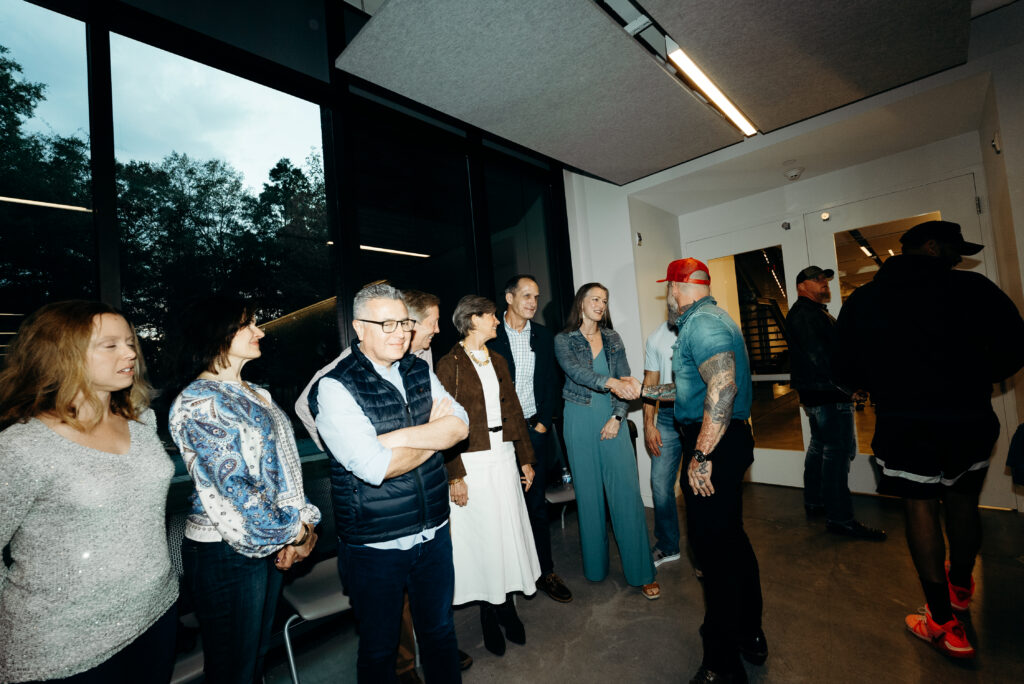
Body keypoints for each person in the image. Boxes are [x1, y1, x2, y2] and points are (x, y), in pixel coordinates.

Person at [834, 220, 1024, 659]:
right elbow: (1016, 344)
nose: (959, 258)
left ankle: (941, 622)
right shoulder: (973, 289)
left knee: (920, 509)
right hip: (968, 418)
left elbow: (842, 367)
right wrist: (977, 377)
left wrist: (884, 384)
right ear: (933, 247)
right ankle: (960, 589)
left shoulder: (866, 299)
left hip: (905, 422)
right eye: (955, 250)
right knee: (963, 502)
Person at [296, 288, 472, 680]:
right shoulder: (335, 387)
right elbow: (376, 468)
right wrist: (433, 434)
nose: (400, 333)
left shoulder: (418, 369)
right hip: (375, 545)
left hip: (433, 532)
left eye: (404, 323)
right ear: (359, 328)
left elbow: (460, 426)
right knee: (380, 650)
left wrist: (395, 439)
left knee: (440, 633)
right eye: (386, 324)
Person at [0, 301, 178, 683]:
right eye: (110, 345)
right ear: (61, 356)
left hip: (156, 614)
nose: (130, 353)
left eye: (129, 342)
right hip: (63, 644)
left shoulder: (143, 422)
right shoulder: (22, 447)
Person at [169, 296, 321, 684]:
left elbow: (285, 472)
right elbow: (235, 488)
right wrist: (296, 532)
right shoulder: (200, 401)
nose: (260, 331)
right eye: (247, 324)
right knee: (233, 670)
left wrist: (301, 527)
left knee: (253, 661)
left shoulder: (256, 393)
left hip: (268, 539)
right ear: (215, 333)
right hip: (226, 551)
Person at [660, 258, 765, 684]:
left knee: (715, 556)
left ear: (676, 288)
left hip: (714, 445)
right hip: (724, 439)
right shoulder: (710, 319)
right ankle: (750, 633)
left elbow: (723, 388)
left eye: (667, 289)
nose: (667, 297)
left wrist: (701, 455)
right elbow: (695, 386)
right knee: (731, 541)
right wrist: (643, 389)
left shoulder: (702, 324)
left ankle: (722, 664)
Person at [437, 295, 541, 656]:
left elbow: (514, 410)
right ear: (473, 320)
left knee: (506, 534)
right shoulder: (448, 365)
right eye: (492, 315)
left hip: (504, 455)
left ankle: (506, 606)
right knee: (483, 539)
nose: (497, 320)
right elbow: (442, 423)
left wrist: (525, 459)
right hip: (472, 461)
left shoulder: (497, 360)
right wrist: (455, 476)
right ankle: (489, 611)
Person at [553, 283, 659, 599]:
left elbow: (626, 379)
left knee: (626, 494)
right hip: (578, 419)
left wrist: (618, 417)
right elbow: (576, 373)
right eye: (595, 299)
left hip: (612, 420)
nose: (600, 304)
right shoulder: (564, 340)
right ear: (581, 303)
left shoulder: (613, 338)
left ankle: (642, 573)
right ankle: (595, 567)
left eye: (605, 300)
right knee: (588, 496)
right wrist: (612, 382)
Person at [487, 274, 573, 602]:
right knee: (503, 506)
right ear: (509, 298)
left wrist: (543, 425)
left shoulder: (543, 336)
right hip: (500, 435)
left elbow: (551, 383)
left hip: (534, 431)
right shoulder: (491, 335)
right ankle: (508, 577)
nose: (533, 303)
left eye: (536, 296)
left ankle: (544, 571)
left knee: (535, 504)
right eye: (526, 296)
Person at [785, 265, 886, 540]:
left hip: (821, 394)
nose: (824, 283)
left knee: (820, 448)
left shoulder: (813, 312)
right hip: (829, 395)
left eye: (825, 279)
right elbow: (820, 358)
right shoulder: (805, 314)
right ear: (801, 286)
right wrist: (848, 388)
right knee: (836, 455)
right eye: (817, 279)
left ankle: (816, 502)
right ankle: (840, 518)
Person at [643, 304, 684, 567]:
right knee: (659, 483)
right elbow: (650, 381)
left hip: (700, 414)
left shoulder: (701, 330)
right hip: (667, 417)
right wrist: (649, 424)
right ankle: (668, 545)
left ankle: (710, 547)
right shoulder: (656, 337)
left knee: (700, 484)